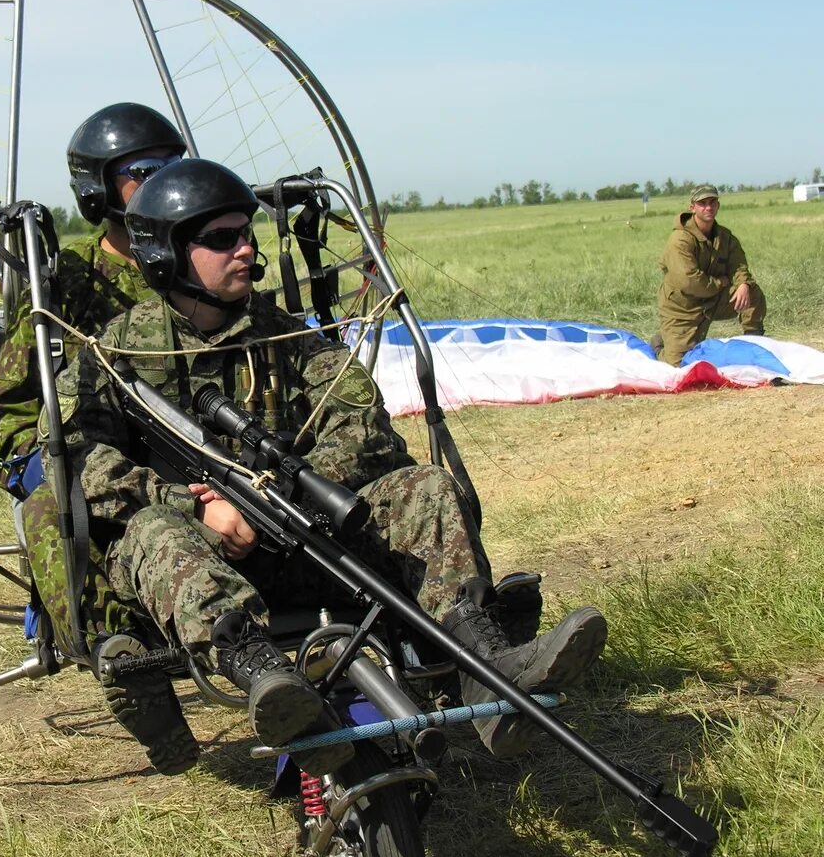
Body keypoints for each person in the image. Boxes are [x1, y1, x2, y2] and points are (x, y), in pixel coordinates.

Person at [51, 158, 608, 777]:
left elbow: (362, 422)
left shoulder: (283, 335)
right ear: (166, 256)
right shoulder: (116, 351)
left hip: (304, 533)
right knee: (154, 534)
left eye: (247, 235)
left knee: (423, 486)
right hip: (202, 559)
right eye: (221, 239)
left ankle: (483, 660)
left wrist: (281, 486)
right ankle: (269, 682)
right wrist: (197, 504)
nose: (244, 250)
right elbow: (87, 465)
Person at [0, 101, 201, 774]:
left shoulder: (202, 263)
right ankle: (118, 658)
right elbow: (11, 409)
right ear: (98, 192)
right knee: (58, 505)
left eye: (173, 169)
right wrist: (42, 466)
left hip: (189, 449)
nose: (162, 184)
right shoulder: (66, 283)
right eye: (143, 173)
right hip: (81, 449)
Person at [653, 183, 766, 366]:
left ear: (718, 205)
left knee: (751, 293)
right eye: (702, 203)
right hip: (683, 308)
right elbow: (689, 281)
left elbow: (738, 266)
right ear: (692, 208)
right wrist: (721, 283)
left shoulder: (725, 237)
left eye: (712, 202)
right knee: (678, 365)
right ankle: (660, 344)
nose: (708, 207)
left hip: (713, 300)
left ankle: (755, 343)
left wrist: (743, 284)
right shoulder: (680, 240)